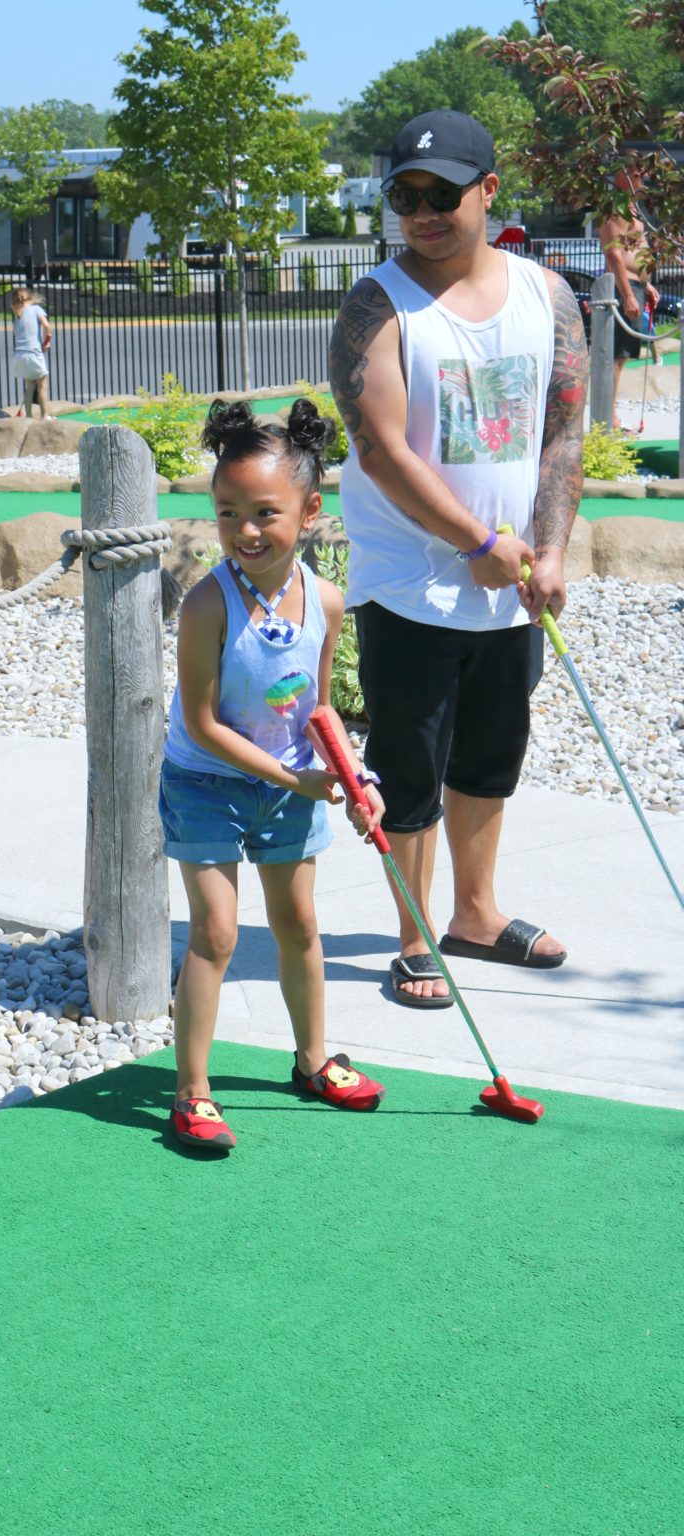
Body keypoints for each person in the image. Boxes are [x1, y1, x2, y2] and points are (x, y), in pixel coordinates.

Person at [328, 109, 587, 1009]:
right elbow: (380, 447)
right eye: (406, 195)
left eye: (443, 194)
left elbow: (562, 429)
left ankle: (475, 916)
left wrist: (547, 547)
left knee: (490, 756)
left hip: (511, 587)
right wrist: (476, 540)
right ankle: (413, 937)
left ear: (490, 190)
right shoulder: (377, 304)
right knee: (411, 768)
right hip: (411, 586)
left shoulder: (547, 296)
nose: (424, 212)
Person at [160, 398, 387, 1152]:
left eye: (264, 512)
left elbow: (320, 713)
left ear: (311, 509)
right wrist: (298, 783)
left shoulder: (325, 600)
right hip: (206, 785)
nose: (244, 532)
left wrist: (358, 781)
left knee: (298, 925)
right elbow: (203, 723)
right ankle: (192, 1092)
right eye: (227, 513)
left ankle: (313, 1060)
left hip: (289, 784)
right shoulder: (206, 605)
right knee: (217, 934)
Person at [597, 167, 661, 430]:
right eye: (636, 174)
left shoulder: (633, 209)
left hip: (635, 285)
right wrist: (626, 295)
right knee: (615, 355)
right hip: (621, 288)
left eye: (643, 174)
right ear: (620, 175)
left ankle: (611, 416)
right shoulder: (615, 208)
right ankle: (608, 419)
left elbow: (634, 250)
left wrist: (645, 285)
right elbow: (614, 254)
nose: (642, 179)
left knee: (622, 356)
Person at [9, 287, 52, 418]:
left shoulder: (18, 316)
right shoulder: (36, 309)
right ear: (30, 298)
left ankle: (28, 417)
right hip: (33, 353)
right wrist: (47, 340)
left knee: (30, 387)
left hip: (19, 355)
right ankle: (45, 416)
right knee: (42, 386)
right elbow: (46, 325)